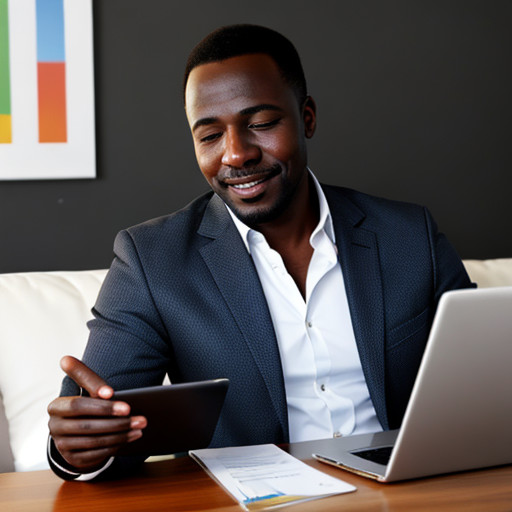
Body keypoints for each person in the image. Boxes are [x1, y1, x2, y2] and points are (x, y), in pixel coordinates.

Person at [47, 24, 473, 481]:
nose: (236, 154)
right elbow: (108, 424)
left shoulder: (410, 236)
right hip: (252, 498)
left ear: (306, 117)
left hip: (408, 491)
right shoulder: (152, 261)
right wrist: (82, 447)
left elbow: (484, 383)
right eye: (210, 136)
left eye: (261, 124)